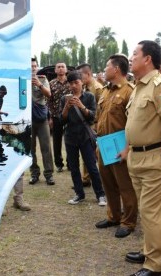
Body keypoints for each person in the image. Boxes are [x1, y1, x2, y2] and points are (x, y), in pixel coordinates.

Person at [124, 40, 161, 276]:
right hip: (138, 157)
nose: (130, 57)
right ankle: (149, 249)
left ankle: (154, 264)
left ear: (147, 59)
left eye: (134, 53)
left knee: (151, 211)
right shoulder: (138, 86)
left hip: (156, 156)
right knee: (145, 209)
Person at [94, 54, 138, 238]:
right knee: (108, 183)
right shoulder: (105, 91)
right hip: (104, 145)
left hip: (120, 145)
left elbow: (134, 123)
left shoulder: (130, 91)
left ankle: (128, 221)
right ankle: (113, 216)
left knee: (125, 185)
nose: (105, 70)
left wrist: (128, 148)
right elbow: (99, 116)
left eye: (107, 66)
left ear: (117, 69)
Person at [60, 71, 107, 206]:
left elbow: (92, 116)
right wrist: (66, 108)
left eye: (76, 82)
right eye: (71, 83)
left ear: (82, 82)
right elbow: (61, 120)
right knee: (74, 167)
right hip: (70, 137)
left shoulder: (89, 97)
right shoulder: (65, 99)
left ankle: (100, 194)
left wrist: (81, 106)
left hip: (85, 136)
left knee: (92, 166)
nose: (74, 85)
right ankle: (79, 194)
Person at [77, 63, 104, 187]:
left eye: (80, 75)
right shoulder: (83, 88)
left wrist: (98, 126)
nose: (79, 78)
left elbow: (102, 109)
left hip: (95, 125)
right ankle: (86, 178)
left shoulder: (98, 88)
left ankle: (102, 178)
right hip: (86, 126)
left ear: (88, 74)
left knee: (98, 154)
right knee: (86, 153)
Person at [29, 58, 55, 185]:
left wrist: (39, 84)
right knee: (31, 149)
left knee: (46, 147)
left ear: (37, 67)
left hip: (41, 118)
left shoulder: (43, 79)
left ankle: (49, 174)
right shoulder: (22, 80)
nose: (33, 68)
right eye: (31, 66)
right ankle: (34, 174)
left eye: (34, 66)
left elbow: (49, 94)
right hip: (28, 119)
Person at [48, 62, 71, 172]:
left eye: (63, 67)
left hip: (69, 116)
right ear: (55, 70)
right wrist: (50, 118)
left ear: (66, 70)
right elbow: (49, 101)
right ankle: (59, 164)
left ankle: (70, 162)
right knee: (57, 141)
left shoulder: (71, 82)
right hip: (56, 116)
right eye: (58, 67)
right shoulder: (51, 83)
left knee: (70, 140)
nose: (61, 69)